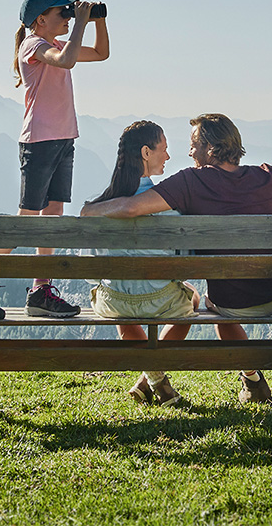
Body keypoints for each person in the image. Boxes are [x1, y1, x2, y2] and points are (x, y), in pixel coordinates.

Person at [81, 113, 272, 404]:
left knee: (209, 303)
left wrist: (89, 210)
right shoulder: (269, 176)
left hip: (229, 304)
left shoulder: (190, 183)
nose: (189, 151)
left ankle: (152, 378)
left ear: (210, 148)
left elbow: (131, 208)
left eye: (194, 144)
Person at [0, 0, 109, 321]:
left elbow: (102, 53)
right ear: (40, 20)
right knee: (27, 218)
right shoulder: (33, 45)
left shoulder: (57, 42)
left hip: (62, 138)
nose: (67, 17)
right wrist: (81, 23)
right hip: (39, 142)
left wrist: (97, 20)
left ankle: (41, 289)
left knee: (54, 214)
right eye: (62, 13)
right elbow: (68, 60)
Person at [84, 120, 198, 408]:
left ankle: (150, 381)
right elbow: (182, 263)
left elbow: (93, 263)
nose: (168, 157)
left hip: (115, 302)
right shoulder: (168, 208)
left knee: (124, 305)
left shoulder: (101, 206)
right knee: (192, 299)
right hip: (162, 301)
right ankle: (158, 383)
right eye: (164, 149)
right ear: (146, 152)